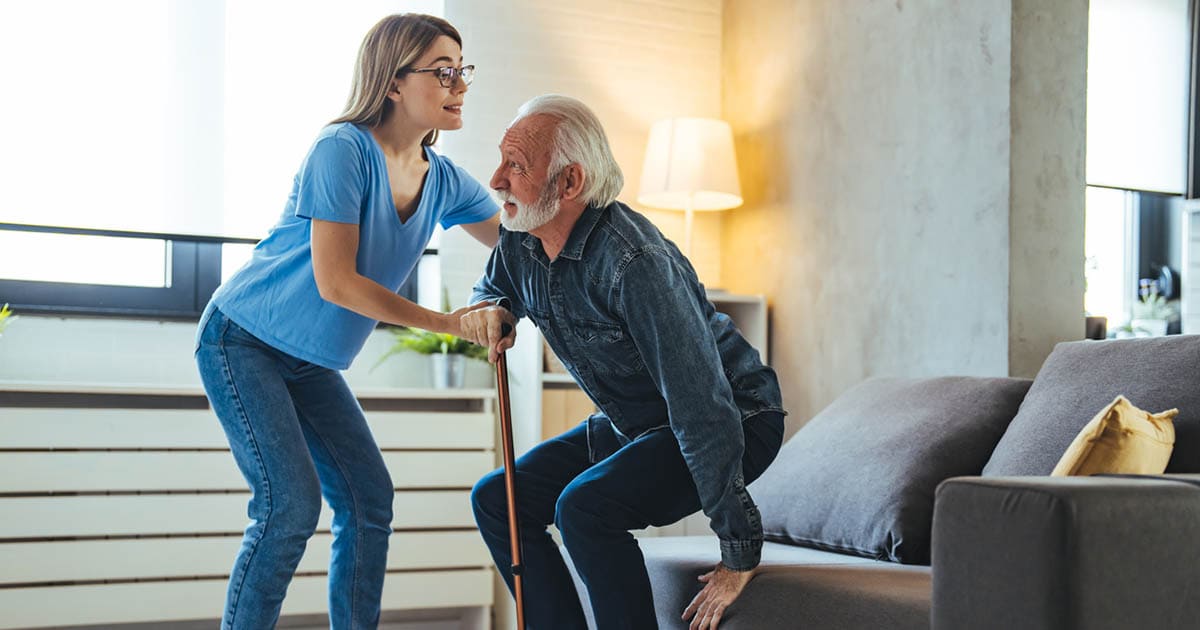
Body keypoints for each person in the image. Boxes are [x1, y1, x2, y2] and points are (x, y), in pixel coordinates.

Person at [193, 14, 499, 629]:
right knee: (288, 508)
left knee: (367, 499)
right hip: (243, 340)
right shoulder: (342, 150)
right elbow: (338, 283)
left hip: (310, 364)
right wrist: (452, 322)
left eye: (462, 70)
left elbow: (514, 247)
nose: (459, 83)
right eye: (443, 71)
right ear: (392, 81)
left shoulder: (442, 180)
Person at [462, 95, 787, 630]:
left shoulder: (635, 264)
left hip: (735, 416)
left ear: (569, 183)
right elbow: (494, 286)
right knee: (498, 499)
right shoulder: (520, 238)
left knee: (585, 508)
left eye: (517, 166)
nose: (496, 179)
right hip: (638, 422)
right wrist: (491, 308)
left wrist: (738, 549)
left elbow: (701, 406)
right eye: (502, 159)